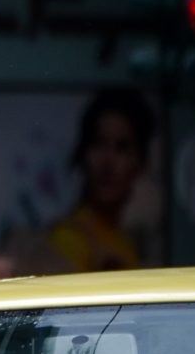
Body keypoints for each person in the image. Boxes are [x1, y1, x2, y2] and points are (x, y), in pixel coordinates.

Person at [48, 88, 154, 273]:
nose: (108, 162)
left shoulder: (122, 241)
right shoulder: (69, 241)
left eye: (122, 148)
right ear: (83, 155)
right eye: (98, 143)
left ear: (140, 163)